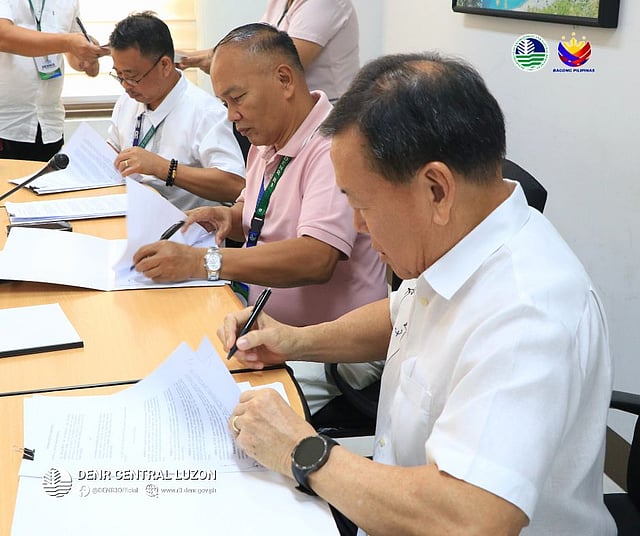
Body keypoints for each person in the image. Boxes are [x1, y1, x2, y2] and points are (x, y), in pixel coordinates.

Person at [219, 52, 616, 535]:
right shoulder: (465, 236)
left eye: (362, 205)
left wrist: (301, 449)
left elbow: (470, 520)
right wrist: (293, 341)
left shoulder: (527, 310)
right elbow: (402, 313)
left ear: (436, 190)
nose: (357, 225)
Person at [132, 23, 387, 415]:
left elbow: (316, 258)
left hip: (327, 349)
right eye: (224, 103)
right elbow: (258, 214)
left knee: (213, 414)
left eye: (237, 98)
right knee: (159, 362)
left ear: (284, 80)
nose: (232, 116)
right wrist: (228, 217)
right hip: (264, 326)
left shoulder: (332, 146)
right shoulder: (266, 141)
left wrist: (203, 261)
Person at [106, 12, 246, 211]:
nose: (125, 85)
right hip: (130, 213)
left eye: (132, 76)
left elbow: (235, 185)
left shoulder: (206, 112)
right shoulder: (127, 102)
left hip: (185, 224)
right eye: (119, 75)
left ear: (165, 65)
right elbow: (112, 149)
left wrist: (163, 168)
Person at [179, 0, 359, 102]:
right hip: (288, 108)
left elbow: (280, 61)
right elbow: (252, 45)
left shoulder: (325, 3)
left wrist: (213, 61)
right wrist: (188, 57)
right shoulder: (280, 2)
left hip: (325, 113)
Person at [0, 0, 108, 161]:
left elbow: (71, 51)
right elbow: (4, 37)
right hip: (6, 123)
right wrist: (68, 42)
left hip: (50, 124)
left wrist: (86, 57)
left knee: (49, 177)